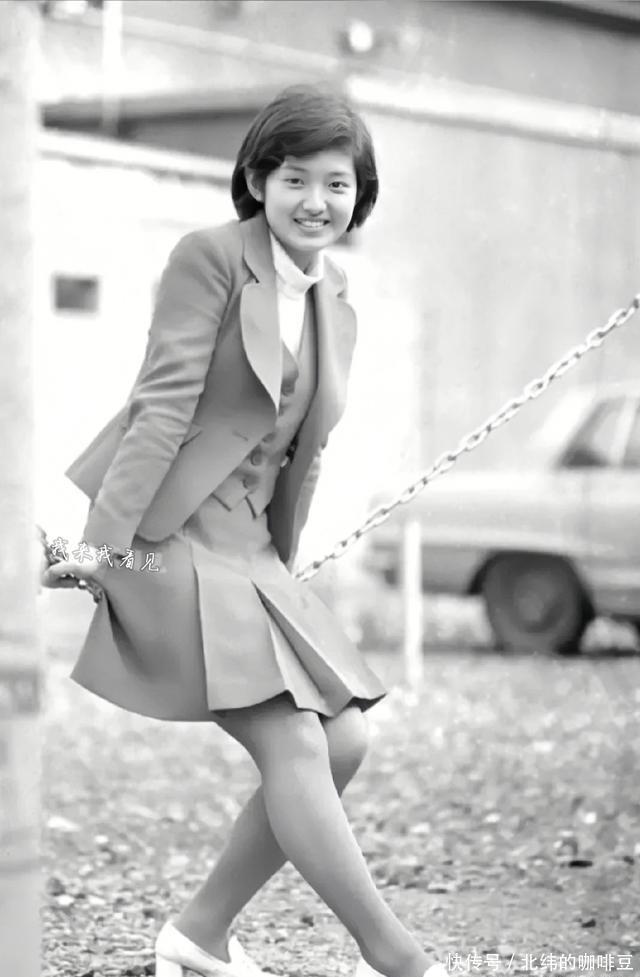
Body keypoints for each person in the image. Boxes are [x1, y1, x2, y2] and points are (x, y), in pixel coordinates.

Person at [42, 84, 448, 977]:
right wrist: (100, 548)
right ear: (258, 180)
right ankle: (402, 960)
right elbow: (160, 408)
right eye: (295, 178)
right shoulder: (211, 258)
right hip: (167, 534)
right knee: (293, 737)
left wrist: (282, 575)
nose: (316, 200)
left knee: (345, 738)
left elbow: (303, 448)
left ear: (360, 195)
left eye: (336, 183)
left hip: (250, 550)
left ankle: (199, 933)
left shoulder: (335, 295)